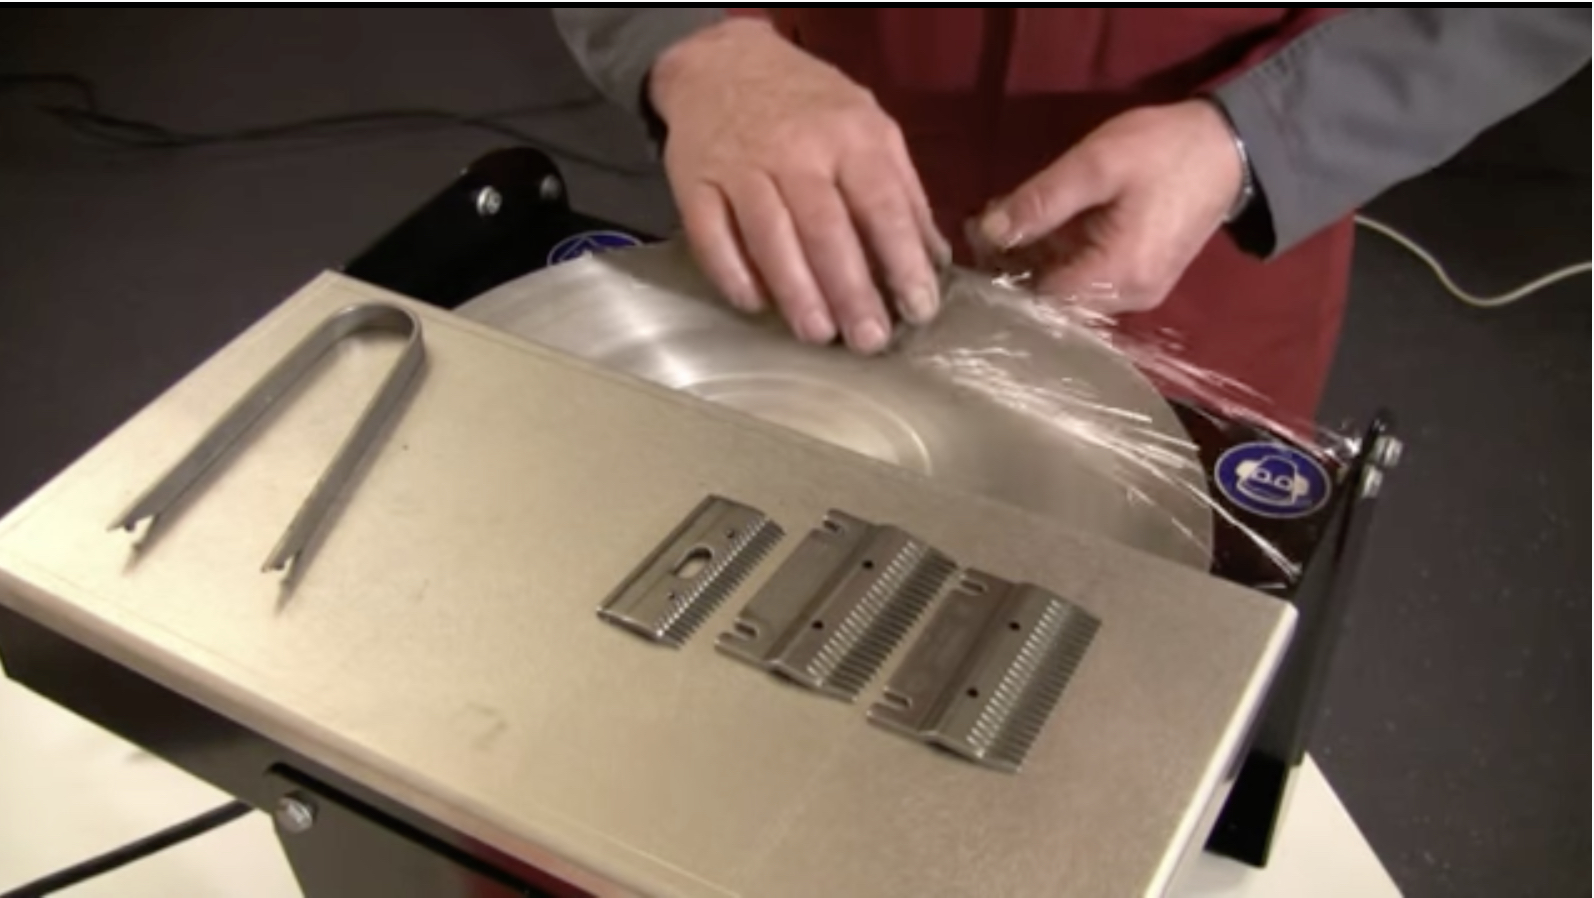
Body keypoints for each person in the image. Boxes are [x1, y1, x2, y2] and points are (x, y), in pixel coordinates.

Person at [552, 8, 1590, 419]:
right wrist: (687, 38)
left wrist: (1258, 138)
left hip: (1204, 229)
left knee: (1125, 709)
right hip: (804, 154)